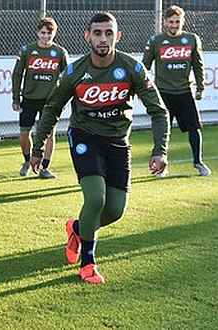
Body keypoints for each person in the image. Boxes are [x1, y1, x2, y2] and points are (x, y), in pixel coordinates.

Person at [31, 13, 170, 284]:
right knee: (96, 198)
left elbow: (159, 111)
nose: (103, 38)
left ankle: (77, 229)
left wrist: (160, 150)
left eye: (109, 33)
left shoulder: (132, 68)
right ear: (87, 36)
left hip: (118, 141)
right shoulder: (74, 71)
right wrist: (37, 147)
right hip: (85, 136)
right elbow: (52, 108)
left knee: (115, 210)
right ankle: (88, 264)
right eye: (97, 33)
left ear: (118, 36)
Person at [142, 5, 211, 177]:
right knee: (162, 131)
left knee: (194, 128)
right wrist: (145, 89)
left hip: (185, 91)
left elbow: (198, 65)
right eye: (171, 21)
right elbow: (144, 67)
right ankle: (161, 166)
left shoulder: (192, 39)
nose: (174, 25)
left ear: (183, 21)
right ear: (165, 22)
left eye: (177, 21)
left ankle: (198, 162)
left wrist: (200, 87)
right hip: (163, 93)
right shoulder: (155, 40)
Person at [12, 17, 68, 179]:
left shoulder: (60, 52)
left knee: (49, 134)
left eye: (49, 33)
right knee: (24, 133)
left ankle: (45, 167)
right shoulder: (27, 50)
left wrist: (62, 100)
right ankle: (27, 161)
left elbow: (67, 79)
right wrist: (15, 99)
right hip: (29, 98)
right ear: (37, 33)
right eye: (43, 33)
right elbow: (17, 75)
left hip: (50, 102)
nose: (45, 36)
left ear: (54, 34)